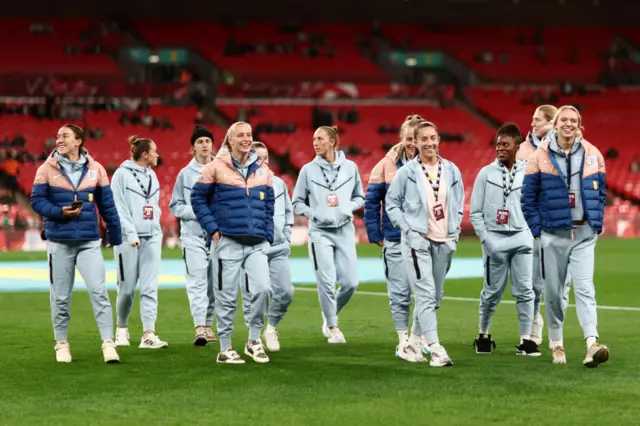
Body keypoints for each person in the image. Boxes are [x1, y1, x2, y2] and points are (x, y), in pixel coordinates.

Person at [521, 105, 609, 367]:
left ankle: (591, 342)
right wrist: (538, 230)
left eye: (574, 120)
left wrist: (596, 222)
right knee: (554, 292)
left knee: (585, 289)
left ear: (579, 125)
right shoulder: (540, 155)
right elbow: (528, 198)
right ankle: (557, 343)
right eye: (565, 120)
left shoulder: (593, 153)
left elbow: (600, 192)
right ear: (555, 124)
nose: (569, 124)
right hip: (553, 235)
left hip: (583, 233)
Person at [30, 124, 122, 363]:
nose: (59, 139)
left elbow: (108, 205)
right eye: (58, 135)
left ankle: (108, 343)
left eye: (65, 135)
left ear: (78, 140)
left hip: (89, 241)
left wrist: (115, 234)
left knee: (99, 292)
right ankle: (61, 343)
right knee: (60, 297)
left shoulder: (96, 169)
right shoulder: (46, 169)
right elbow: (37, 201)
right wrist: (59, 212)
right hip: (59, 242)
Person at [191, 121, 275, 364]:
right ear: (230, 140)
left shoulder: (262, 169)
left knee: (262, 289)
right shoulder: (215, 167)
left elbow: (270, 204)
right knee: (226, 296)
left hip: (257, 241)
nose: (247, 139)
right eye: (241, 135)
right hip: (227, 240)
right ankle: (225, 348)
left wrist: (267, 232)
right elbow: (197, 199)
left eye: (249, 134)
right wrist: (212, 229)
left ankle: (252, 340)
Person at [385, 120, 464, 367]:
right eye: (424, 139)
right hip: (417, 241)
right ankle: (436, 348)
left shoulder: (451, 170)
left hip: (445, 240)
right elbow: (391, 205)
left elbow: (459, 204)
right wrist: (408, 230)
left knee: (435, 296)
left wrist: (455, 232)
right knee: (426, 294)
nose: (429, 143)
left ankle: (413, 342)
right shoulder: (406, 172)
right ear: (416, 142)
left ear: (438, 139)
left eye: (433, 138)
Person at [470, 123, 540, 356]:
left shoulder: (528, 172)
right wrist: (485, 239)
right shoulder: (485, 173)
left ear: (517, 147)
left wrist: (530, 234)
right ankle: (483, 335)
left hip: (521, 238)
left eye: (505, 144)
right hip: (495, 238)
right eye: (498, 144)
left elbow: (533, 205)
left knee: (525, 291)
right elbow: (476, 212)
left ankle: (526, 340)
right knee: (491, 292)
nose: (500, 148)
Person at [292, 126, 365, 344]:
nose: (315, 143)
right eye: (313, 138)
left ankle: (329, 313)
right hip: (319, 233)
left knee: (351, 283)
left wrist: (348, 207)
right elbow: (296, 202)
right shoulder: (307, 170)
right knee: (326, 281)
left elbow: (360, 197)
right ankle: (333, 326)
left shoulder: (350, 168)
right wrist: (315, 214)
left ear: (332, 142)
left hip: (344, 230)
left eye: (320, 139)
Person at [364, 114, 427, 362]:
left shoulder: (432, 164)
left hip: (424, 239)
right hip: (394, 238)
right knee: (399, 293)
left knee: (425, 294)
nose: (412, 143)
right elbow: (371, 202)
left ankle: (417, 339)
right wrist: (375, 233)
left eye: (416, 138)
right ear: (402, 138)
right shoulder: (385, 165)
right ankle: (403, 340)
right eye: (409, 138)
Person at [111, 136, 168, 350]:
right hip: (128, 238)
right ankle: (122, 328)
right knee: (126, 290)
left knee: (149, 287)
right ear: (145, 154)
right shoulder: (121, 175)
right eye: (154, 151)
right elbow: (119, 207)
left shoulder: (153, 175)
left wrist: (156, 227)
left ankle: (148, 334)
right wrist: (131, 232)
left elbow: (153, 205)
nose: (157, 154)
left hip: (152, 236)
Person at [240, 141, 295, 352]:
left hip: (279, 247)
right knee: (253, 293)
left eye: (265, 158)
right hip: (255, 246)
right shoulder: (243, 183)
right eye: (258, 158)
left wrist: (286, 235)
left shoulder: (279, 183)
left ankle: (270, 327)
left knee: (286, 292)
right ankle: (252, 337)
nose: (263, 162)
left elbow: (288, 212)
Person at [169, 125, 217, 346]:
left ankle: (208, 324)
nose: (204, 145)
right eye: (200, 141)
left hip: (218, 237)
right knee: (196, 282)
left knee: (215, 283)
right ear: (193, 147)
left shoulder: (223, 170)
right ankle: (200, 327)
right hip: (193, 236)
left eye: (207, 141)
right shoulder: (185, 175)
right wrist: (197, 213)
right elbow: (175, 205)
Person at [517, 104, 558, 346]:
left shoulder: (564, 148)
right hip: (529, 222)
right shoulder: (521, 150)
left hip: (556, 222)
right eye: (532, 119)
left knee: (555, 281)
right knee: (531, 281)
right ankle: (533, 321)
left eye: (538, 120)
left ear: (551, 122)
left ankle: (555, 329)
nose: (532, 123)